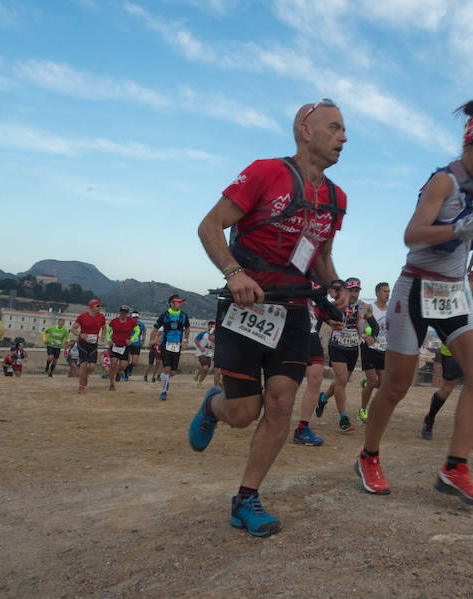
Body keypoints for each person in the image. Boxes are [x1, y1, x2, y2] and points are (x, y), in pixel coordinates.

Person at [191, 98, 349, 536]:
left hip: (294, 310)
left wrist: (334, 291)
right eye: (334, 128)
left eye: (343, 130)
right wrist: (234, 273)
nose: (344, 137)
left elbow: (321, 255)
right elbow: (210, 225)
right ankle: (213, 404)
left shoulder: (338, 197)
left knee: (280, 405)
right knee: (243, 412)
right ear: (305, 128)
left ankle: (247, 498)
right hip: (246, 307)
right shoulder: (264, 171)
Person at [356, 100, 473, 506]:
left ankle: (455, 468)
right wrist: (465, 227)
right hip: (415, 289)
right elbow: (413, 233)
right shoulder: (443, 180)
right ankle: (368, 457)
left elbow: (466, 236)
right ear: (467, 145)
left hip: (453, 292)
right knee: (397, 386)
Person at [421, 271, 473, 445]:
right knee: (447, 388)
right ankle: (429, 419)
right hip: (453, 349)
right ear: (467, 282)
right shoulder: (457, 298)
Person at [316, 277, 363, 432]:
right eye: (351, 290)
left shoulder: (362, 307)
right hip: (336, 346)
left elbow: (374, 325)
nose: (354, 294)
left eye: (357, 291)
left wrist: (372, 336)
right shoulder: (336, 304)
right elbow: (320, 314)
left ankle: (323, 398)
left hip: (353, 348)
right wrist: (330, 322)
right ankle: (343, 419)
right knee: (342, 380)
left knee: (341, 382)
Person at [293, 301, 329, 446]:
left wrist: (332, 320)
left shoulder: (317, 284)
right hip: (290, 333)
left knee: (315, 379)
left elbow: (322, 309)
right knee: (285, 382)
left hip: (311, 335)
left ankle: (302, 429)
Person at [357, 281, 390, 423]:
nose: (387, 294)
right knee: (372, 381)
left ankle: (366, 383)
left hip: (383, 349)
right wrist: (366, 336)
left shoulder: (390, 310)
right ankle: (363, 411)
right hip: (369, 347)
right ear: (377, 293)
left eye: (388, 292)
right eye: (384, 291)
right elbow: (362, 326)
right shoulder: (370, 308)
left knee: (381, 384)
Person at [153, 295, 191, 401]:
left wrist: (185, 341)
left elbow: (187, 328)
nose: (180, 304)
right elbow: (155, 328)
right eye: (178, 302)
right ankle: (163, 391)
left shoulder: (183, 316)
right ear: (171, 303)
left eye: (181, 302)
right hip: (166, 345)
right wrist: (154, 339)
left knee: (173, 372)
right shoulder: (164, 315)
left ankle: (165, 379)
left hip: (177, 346)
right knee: (167, 368)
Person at [72, 300, 106, 394]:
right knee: (83, 364)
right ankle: (81, 386)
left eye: (100, 306)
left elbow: (104, 327)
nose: (99, 308)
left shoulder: (101, 317)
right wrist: (80, 335)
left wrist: (103, 335)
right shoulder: (82, 316)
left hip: (93, 344)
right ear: (92, 307)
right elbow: (73, 329)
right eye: (97, 306)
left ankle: (85, 375)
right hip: (83, 343)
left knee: (92, 367)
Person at [107, 306, 138, 390]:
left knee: (123, 366)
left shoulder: (131, 322)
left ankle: (119, 373)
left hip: (124, 346)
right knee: (113, 364)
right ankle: (112, 384)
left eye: (125, 312)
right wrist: (108, 339)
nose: (123, 314)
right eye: (122, 312)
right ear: (119, 312)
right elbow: (107, 331)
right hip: (115, 345)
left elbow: (137, 331)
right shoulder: (114, 321)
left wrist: (131, 340)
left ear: (127, 313)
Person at [125, 311, 146, 380]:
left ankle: (129, 368)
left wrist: (143, 339)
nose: (135, 319)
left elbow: (144, 330)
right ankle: (125, 374)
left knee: (135, 362)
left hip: (136, 344)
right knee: (127, 360)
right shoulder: (127, 323)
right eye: (134, 318)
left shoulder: (140, 324)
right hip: (128, 344)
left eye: (136, 318)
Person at [194, 321, 216, 387]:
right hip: (201, 353)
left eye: (213, 327)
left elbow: (214, 344)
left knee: (206, 370)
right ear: (208, 326)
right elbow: (195, 340)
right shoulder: (203, 333)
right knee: (205, 368)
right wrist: (200, 347)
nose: (211, 328)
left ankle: (199, 382)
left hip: (209, 353)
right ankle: (198, 372)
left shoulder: (215, 335)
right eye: (210, 326)